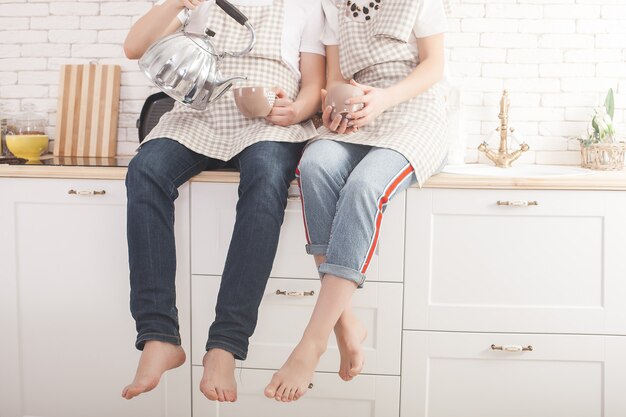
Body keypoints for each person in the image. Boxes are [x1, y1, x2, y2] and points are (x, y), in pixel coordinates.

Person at [121, 0, 325, 403]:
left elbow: (314, 84)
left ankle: (226, 345)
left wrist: (296, 110)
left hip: (267, 117)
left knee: (267, 179)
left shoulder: (305, 5)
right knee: (145, 170)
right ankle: (159, 335)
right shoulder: (199, 3)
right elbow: (134, 47)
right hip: (200, 112)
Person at [264, 0, 448, 402]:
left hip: (414, 115)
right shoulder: (333, 5)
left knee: (365, 186)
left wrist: (383, 98)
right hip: (357, 117)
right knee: (314, 163)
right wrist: (333, 112)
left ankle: (312, 341)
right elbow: (336, 79)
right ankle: (345, 320)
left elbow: (434, 65)